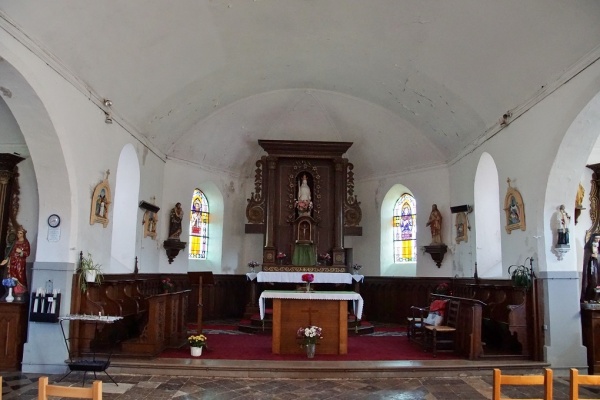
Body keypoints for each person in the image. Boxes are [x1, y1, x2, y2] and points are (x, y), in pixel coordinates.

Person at [1, 227, 31, 292]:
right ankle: (12, 291)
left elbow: (27, 253)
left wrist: (21, 251)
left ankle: (20, 290)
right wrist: (7, 259)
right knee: (12, 275)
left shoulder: (25, 243)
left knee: (20, 275)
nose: (19, 234)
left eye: (20, 233)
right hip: (13, 261)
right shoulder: (15, 242)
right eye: (18, 233)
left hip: (20, 263)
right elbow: (10, 252)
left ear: (23, 234)